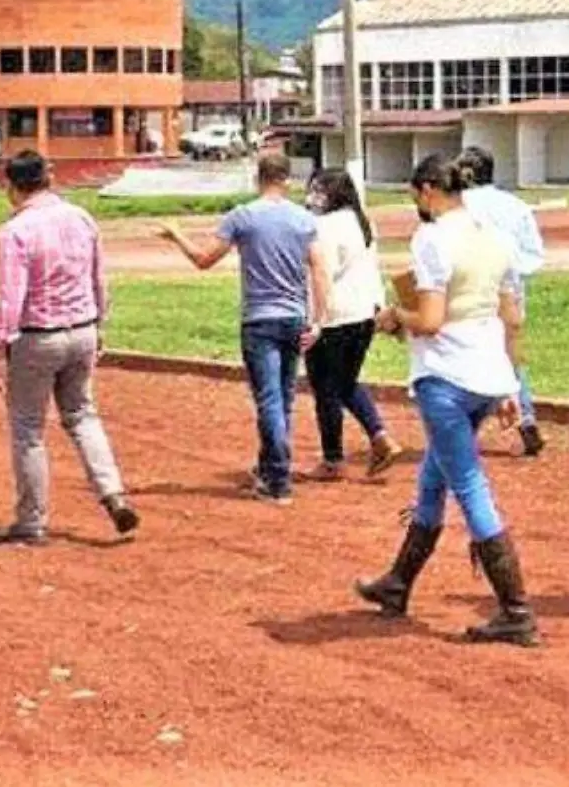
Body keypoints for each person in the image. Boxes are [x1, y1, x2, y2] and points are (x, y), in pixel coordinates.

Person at [355, 152, 538, 646]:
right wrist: (510, 387)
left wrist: (394, 317)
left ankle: (516, 610)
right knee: (433, 480)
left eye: (416, 196)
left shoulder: (432, 238)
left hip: (446, 377)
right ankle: (397, 584)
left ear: (428, 191)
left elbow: (431, 320)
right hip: (485, 373)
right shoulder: (494, 238)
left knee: (469, 487)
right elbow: (511, 317)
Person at [0, 151, 139, 545]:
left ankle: (31, 521)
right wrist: (99, 324)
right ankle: (112, 493)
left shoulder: (16, 231)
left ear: (12, 186)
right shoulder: (81, 218)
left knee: (28, 429)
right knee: (83, 415)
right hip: (82, 329)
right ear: (48, 179)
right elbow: (99, 277)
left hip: (38, 336)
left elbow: (10, 296)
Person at [159, 153, 329, 505]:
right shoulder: (303, 219)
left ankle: (279, 479)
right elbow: (319, 269)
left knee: (268, 399)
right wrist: (319, 319)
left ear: (258, 178)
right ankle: (270, 469)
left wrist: (177, 235)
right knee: (283, 399)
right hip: (294, 316)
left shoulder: (243, 217)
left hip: (259, 318)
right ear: (287, 179)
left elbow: (204, 260)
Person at [302, 168, 399, 480]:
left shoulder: (324, 226)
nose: (312, 196)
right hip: (363, 312)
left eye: (318, 190)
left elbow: (322, 273)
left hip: (334, 315)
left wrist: (315, 318)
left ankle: (333, 459)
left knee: (326, 388)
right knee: (346, 382)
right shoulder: (361, 220)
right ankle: (380, 436)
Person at [456, 145, 547, 458]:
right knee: (509, 355)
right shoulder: (516, 206)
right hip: (510, 290)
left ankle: (465, 425)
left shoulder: (457, 207)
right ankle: (526, 416)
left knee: (467, 355)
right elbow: (533, 255)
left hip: (470, 291)